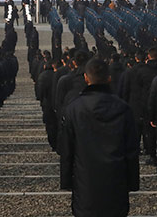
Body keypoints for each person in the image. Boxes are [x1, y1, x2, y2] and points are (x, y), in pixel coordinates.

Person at [59, 58, 140, 217]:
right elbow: (132, 149)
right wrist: (132, 182)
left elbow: (67, 149)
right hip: (116, 177)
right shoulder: (123, 108)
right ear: (109, 78)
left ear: (86, 78)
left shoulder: (74, 108)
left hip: (85, 178)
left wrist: (66, 180)